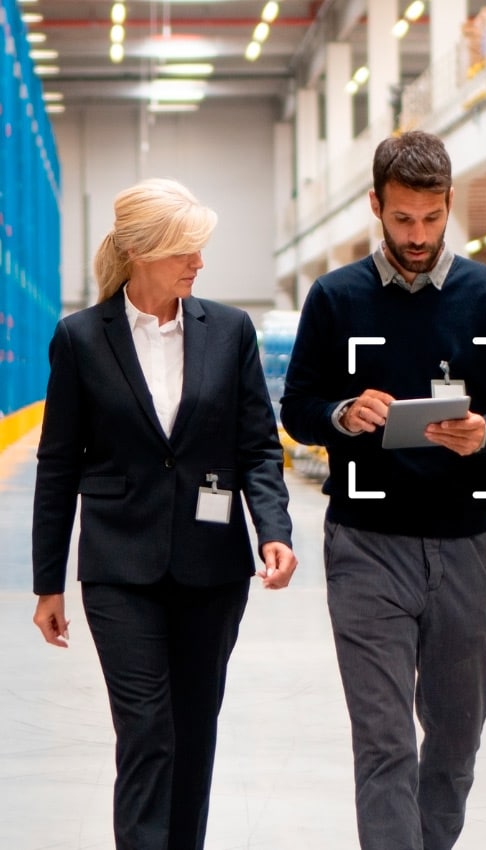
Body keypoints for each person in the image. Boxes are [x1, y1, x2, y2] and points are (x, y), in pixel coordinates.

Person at [280, 130, 486, 850]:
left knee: (456, 741)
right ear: (376, 205)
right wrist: (343, 414)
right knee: (385, 741)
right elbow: (297, 406)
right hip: (366, 548)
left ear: (449, 205)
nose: (418, 236)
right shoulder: (335, 298)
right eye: (402, 220)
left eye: (431, 219)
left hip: (464, 547)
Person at [31, 177, 298, 850]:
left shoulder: (229, 330)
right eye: (187, 249)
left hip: (212, 570)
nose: (199, 263)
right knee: (147, 730)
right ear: (145, 251)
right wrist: (48, 583)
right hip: (120, 566)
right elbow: (58, 465)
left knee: (193, 729)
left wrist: (275, 532)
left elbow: (257, 449)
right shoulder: (82, 339)